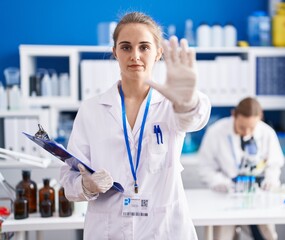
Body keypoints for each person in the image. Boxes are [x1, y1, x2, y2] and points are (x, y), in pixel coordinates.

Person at [60, 12, 211, 240]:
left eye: (144, 47)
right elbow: (68, 178)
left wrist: (187, 101)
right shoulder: (92, 110)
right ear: (115, 52)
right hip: (108, 230)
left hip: (164, 229)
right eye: (126, 47)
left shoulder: (171, 104)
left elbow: (194, 118)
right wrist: (86, 185)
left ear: (159, 52)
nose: (135, 55)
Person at [198, 97, 284, 240]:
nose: (246, 132)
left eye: (251, 128)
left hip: (258, 197)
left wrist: (270, 180)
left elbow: (274, 164)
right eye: (242, 127)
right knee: (222, 236)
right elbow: (205, 167)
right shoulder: (216, 132)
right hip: (226, 196)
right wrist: (219, 182)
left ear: (260, 117)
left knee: (266, 235)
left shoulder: (267, 133)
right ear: (234, 115)